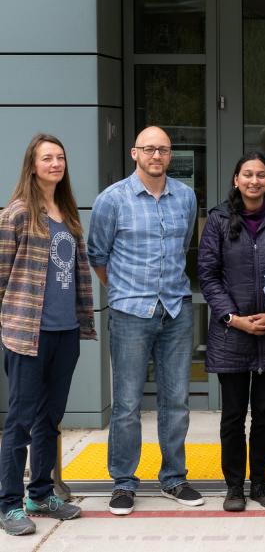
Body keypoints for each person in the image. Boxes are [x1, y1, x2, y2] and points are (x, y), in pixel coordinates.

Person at [88, 126, 201, 516]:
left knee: (177, 401)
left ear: (171, 155)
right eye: (150, 149)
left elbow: (185, 244)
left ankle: (174, 477)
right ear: (135, 153)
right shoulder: (112, 200)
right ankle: (123, 482)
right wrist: (123, 291)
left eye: (164, 150)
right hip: (130, 313)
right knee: (127, 403)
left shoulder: (185, 197)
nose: (157, 155)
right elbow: (97, 256)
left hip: (176, 309)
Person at [0, 135, 95, 536]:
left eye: (60, 157)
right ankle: (8, 504)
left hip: (66, 332)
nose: (56, 163)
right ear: (33, 165)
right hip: (28, 335)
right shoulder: (17, 213)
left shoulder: (68, 213)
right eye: (47, 158)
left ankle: (40, 494)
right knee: (20, 421)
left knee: (49, 419)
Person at [198, 152, 265, 512]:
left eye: (261, 175)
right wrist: (232, 318)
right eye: (247, 174)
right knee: (233, 416)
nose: (254, 181)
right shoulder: (219, 219)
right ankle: (234, 486)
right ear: (236, 179)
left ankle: (260, 484)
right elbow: (207, 274)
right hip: (230, 334)